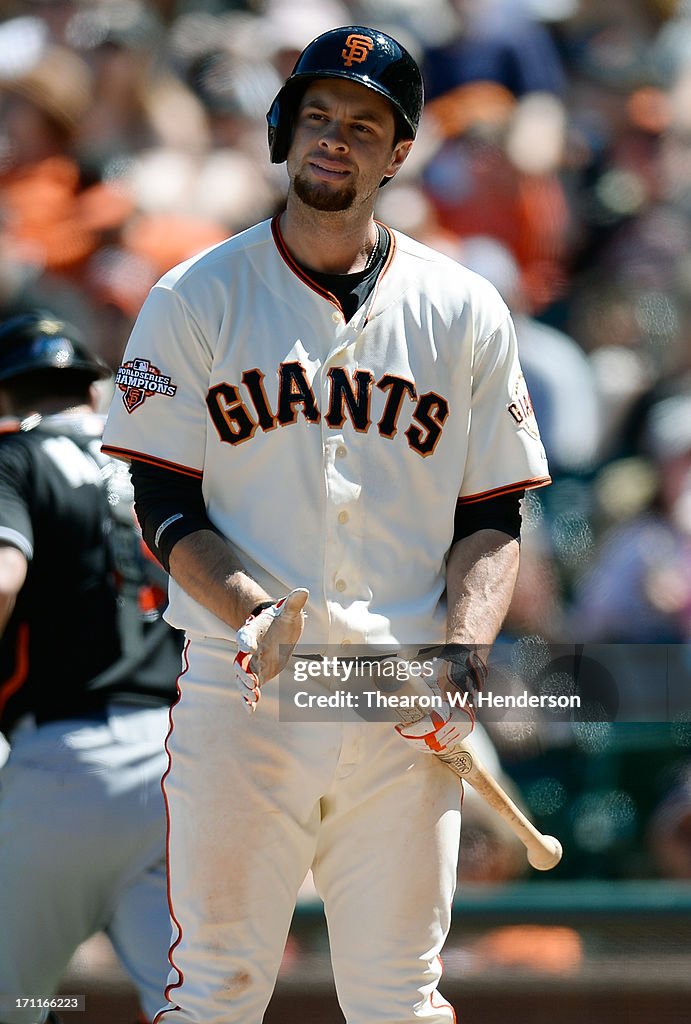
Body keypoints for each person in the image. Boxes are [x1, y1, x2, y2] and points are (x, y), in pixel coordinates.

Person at [102, 25, 550, 1024]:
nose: (334, 138)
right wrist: (254, 611)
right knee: (215, 990)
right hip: (245, 688)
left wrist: (464, 654)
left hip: (399, 699)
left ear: (398, 154)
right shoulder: (196, 295)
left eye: (364, 123)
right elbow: (163, 500)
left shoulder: (463, 308)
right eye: (317, 115)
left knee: (400, 997)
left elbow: (492, 512)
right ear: (282, 128)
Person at [0, 312, 183, 1024]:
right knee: (190, 1008)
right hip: (179, 763)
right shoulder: (153, 468)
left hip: (68, 764)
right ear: (94, 387)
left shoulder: (16, 457)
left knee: (17, 1001)